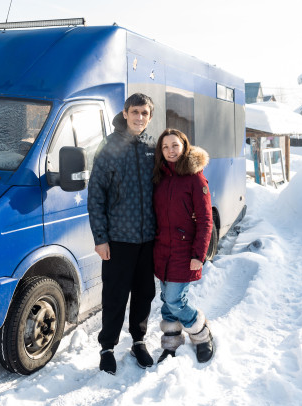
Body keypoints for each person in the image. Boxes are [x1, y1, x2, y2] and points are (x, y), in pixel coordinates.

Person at [87, 93, 157, 375]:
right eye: (135, 112)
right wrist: (100, 238)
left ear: (149, 117)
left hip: (149, 238)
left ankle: (138, 341)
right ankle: (107, 348)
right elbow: (96, 196)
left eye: (145, 113)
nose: (140, 117)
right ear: (125, 113)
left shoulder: (153, 147)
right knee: (115, 295)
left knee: (145, 293)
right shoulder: (108, 146)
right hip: (117, 238)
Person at [152, 128, 215, 364]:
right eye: (165, 147)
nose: (170, 151)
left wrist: (199, 254)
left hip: (184, 251)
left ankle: (201, 334)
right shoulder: (159, 176)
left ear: (184, 146)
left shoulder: (195, 177)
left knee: (175, 300)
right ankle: (171, 344)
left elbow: (206, 219)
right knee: (167, 300)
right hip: (162, 250)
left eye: (175, 145)